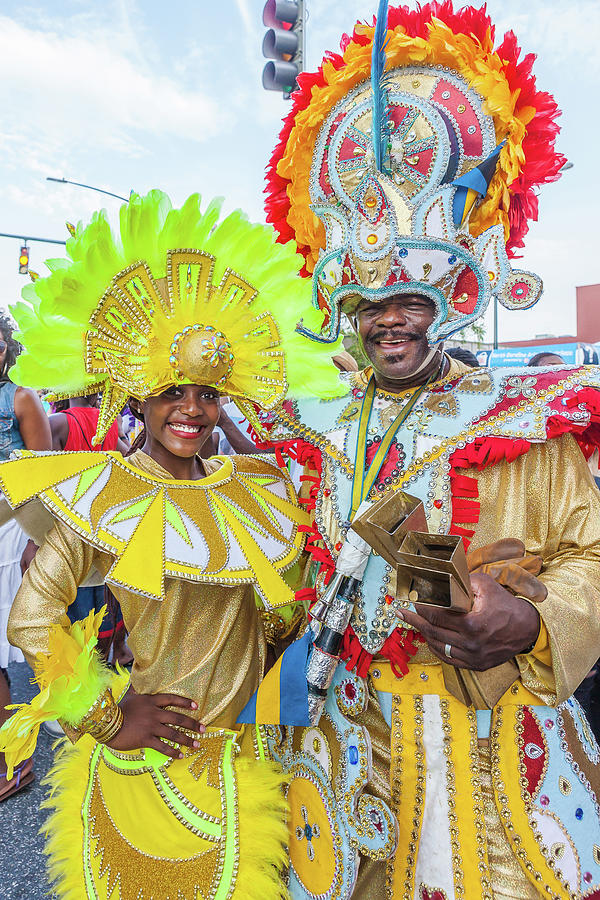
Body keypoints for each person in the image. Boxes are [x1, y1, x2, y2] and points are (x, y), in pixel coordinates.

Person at [249, 3, 600, 897]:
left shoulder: (525, 421)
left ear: (455, 289)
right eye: (370, 304)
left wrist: (532, 621)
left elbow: (592, 555)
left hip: (481, 756)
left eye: (410, 295)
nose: (390, 319)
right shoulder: (311, 427)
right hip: (335, 745)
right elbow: (271, 569)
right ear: (341, 307)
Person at [0, 190, 343, 897]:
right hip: (155, 766)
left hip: (257, 752)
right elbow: (33, 618)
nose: (191, 409)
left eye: (207, 394)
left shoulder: (253, 483)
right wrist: (108, 717)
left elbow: (287, 610)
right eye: (170, 391)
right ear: (138, 400)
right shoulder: (107, 496)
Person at [0, 312, 51, 800]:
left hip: (9, 534)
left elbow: (45, 479)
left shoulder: (20, 397)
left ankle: (17, 762)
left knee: (16, 643)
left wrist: (37, 541)